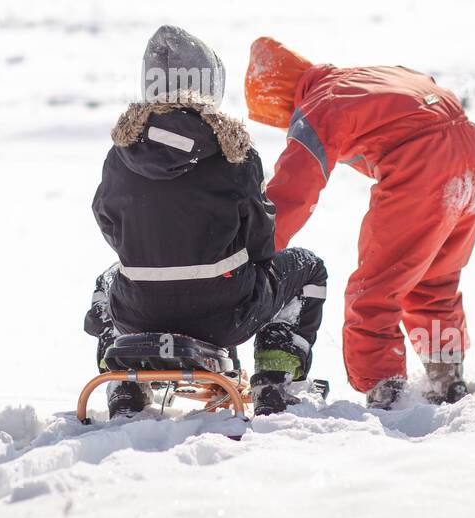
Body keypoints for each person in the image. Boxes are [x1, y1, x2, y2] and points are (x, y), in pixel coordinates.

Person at [244, 36, 475, 408]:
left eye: (280, 118)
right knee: (433, 284)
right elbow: (452, 121)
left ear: (280, 100)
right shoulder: (369, 78)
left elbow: (295, 185)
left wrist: (258, 245)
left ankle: (387, 392)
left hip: (423, 172)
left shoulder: (319, 105)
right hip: (471, 166)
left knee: (374, 291)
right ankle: (447, 381)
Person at [86, 25, 328, 417]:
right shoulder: (234, 151)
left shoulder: (120, 155)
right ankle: (275, 380)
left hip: (139, 312)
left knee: (107, 283)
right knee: (308, 268)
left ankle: (123, 387)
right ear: (209, 83)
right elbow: (262, 242)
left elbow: (108, 223)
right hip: (226, 315)